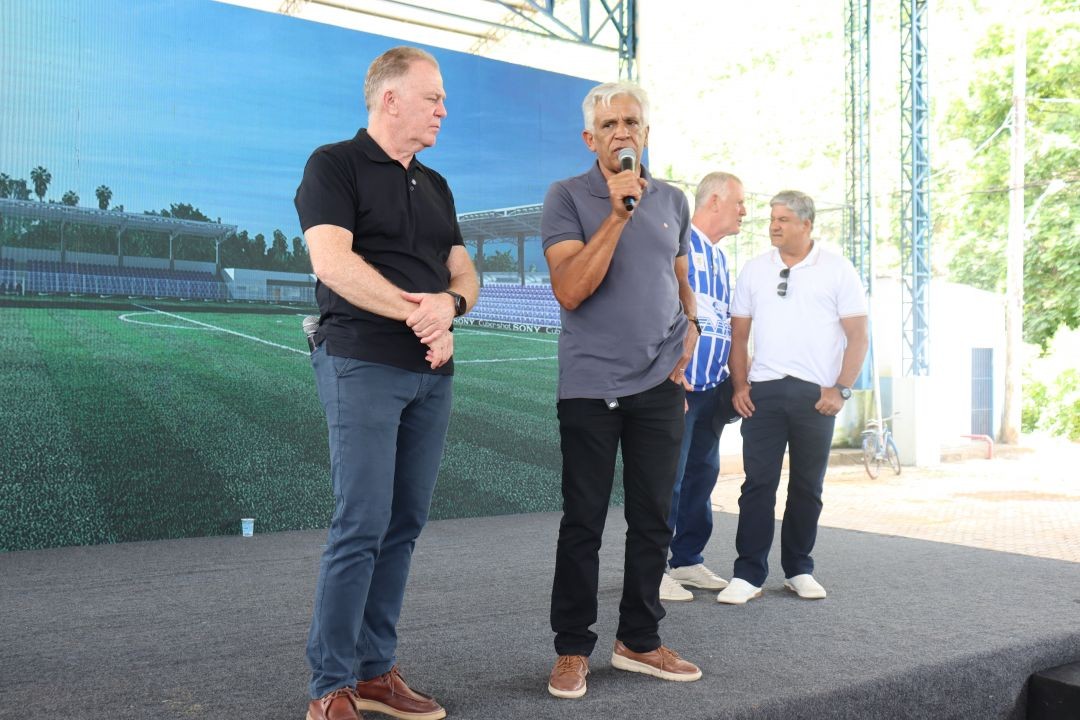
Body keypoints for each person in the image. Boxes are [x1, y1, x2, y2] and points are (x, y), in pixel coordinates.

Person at [293, 46, 479, 720]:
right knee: (362, 522)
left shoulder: (435, 185)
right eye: (432, 97)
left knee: (403, 524)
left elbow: (465, 272)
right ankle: (330, 686)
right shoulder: (333, 165)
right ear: (388, 98)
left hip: (431, 372)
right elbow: (334, 264)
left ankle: (374, 672)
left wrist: (449, 308)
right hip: (362, 361)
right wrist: (423, 312)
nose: (442, 109)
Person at [542, 80, 703, 700]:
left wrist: (692, 324)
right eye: (609, 125)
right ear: (590, 138)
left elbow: (678, 273)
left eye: (631, 122)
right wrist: (616, 212)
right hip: (589, 386)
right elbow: (571, 289)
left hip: (658, 385)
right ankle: (572, 649)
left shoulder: (673, 200)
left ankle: (638, 639)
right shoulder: (567, 198)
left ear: (646, 132)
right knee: (583, 522)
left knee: (653, 518)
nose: (621, 133)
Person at [716, 190, 868, 605]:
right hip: (762, 393)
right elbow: (739, 334)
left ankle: (799, 569)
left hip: (816, 397)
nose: (773, 225)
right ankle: (747, 574)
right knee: (757, 486)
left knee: (807, 486)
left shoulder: (838, 270)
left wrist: (841, 389)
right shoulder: (753, 269)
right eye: (771, 218)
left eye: (783, 219)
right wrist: (741, 385)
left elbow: (858, 336)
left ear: (806, 224)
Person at [660, 172, 746, 603]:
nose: (745, 212)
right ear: (714, 201)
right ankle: (653, 566)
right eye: (739, 203)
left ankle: (688, 558)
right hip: (681, 385)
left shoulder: (720, 258)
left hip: (712, 387)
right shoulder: (678, 243)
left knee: (703, 474)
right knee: (668, 478)